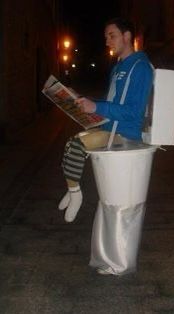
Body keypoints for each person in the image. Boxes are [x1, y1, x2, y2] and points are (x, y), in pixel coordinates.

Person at [58, 17, 154, 223]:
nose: (107, 41)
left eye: (112, 36)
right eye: (105, 37)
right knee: (71, 146)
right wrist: (83, 100)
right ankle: (73, 187)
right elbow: (112, 103)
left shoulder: (141, 67)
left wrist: (97, 107)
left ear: (127, 36)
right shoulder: (118, 68)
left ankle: (75, 194)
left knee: (76, 145)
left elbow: (134, 112)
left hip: (125, 135)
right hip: (109, 130)